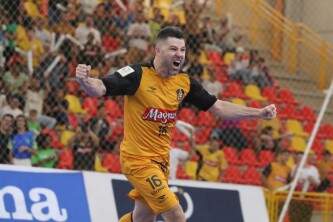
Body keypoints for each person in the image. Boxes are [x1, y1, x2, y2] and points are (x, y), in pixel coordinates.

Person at [76, 26, 276, 222]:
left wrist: (258, 113)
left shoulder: (184, 82)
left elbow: (217, 107)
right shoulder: (137, 74)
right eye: (173, 49)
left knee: (144, 217)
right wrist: (86, 81)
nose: (179, 54)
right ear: (158, 50)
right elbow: (101, 87)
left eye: (182, 50)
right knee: (176, 215)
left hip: (161, 162)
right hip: (138, 161)